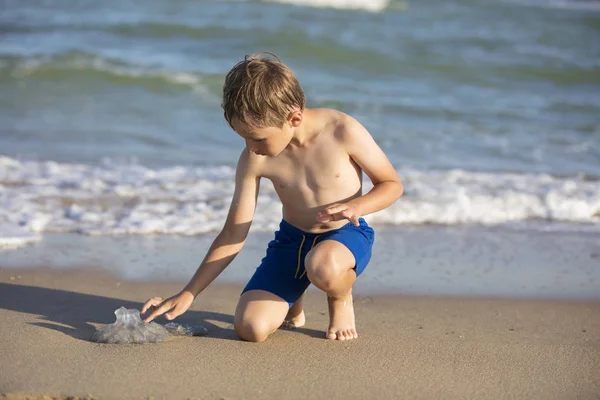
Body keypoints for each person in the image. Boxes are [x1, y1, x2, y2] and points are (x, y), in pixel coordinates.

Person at [141, 53, 403, 342]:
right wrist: (189, 292)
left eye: (257, 138)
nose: (250, 147)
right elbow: (233, 233)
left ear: (294, 118)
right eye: (243, 138)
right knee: (250, 329)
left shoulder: (342, 131)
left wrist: (357, 205)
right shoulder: (254, 158)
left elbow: (391, 184)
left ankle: (339, 297)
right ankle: (295, 292)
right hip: (291, 243)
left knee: (322, 266)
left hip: (344, 238)